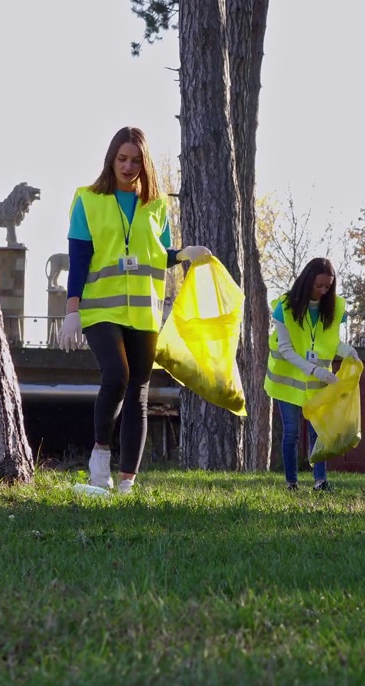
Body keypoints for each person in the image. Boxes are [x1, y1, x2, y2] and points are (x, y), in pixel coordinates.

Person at [58, 126, 211, 496]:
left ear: (145, 164)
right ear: (111, 159)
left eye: (136, 160)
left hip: (144, 312)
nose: (128, 167)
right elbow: (79, 260)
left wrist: (184, 255)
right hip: (99, 308)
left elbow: (160, 255)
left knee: (139, 391)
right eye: (122, 158)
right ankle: (99, 458)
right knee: (117, 375)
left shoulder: (157, 206)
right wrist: (71, 309)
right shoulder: (87, 200)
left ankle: (127, 481)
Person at [264, 258, 359, 491]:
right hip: (288, 382)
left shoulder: (335, 308)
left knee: (319, 433)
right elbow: (285, 349)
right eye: (319, 286)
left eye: (328, 286)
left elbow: (331, 342)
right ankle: (291, 482)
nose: (323, 291)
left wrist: (347, 351)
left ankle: (320, 481)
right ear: (307, 281)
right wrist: (315, 370)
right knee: (291, 433)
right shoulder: (285, 307)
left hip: (318, 382)